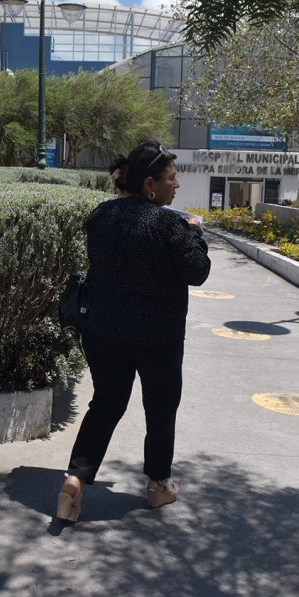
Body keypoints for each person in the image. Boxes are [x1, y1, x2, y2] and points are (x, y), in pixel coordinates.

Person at [57, 139, 211, 522]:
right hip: (158, 338)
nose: (177, 185)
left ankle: (75, 479)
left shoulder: (101, 215)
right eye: (172, 178)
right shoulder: (170, 225)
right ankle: (159, 486)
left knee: (106, 404)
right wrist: (194, 232)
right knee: (160, 409)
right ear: (149, 185)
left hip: (103, 331)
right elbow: (198, 272)